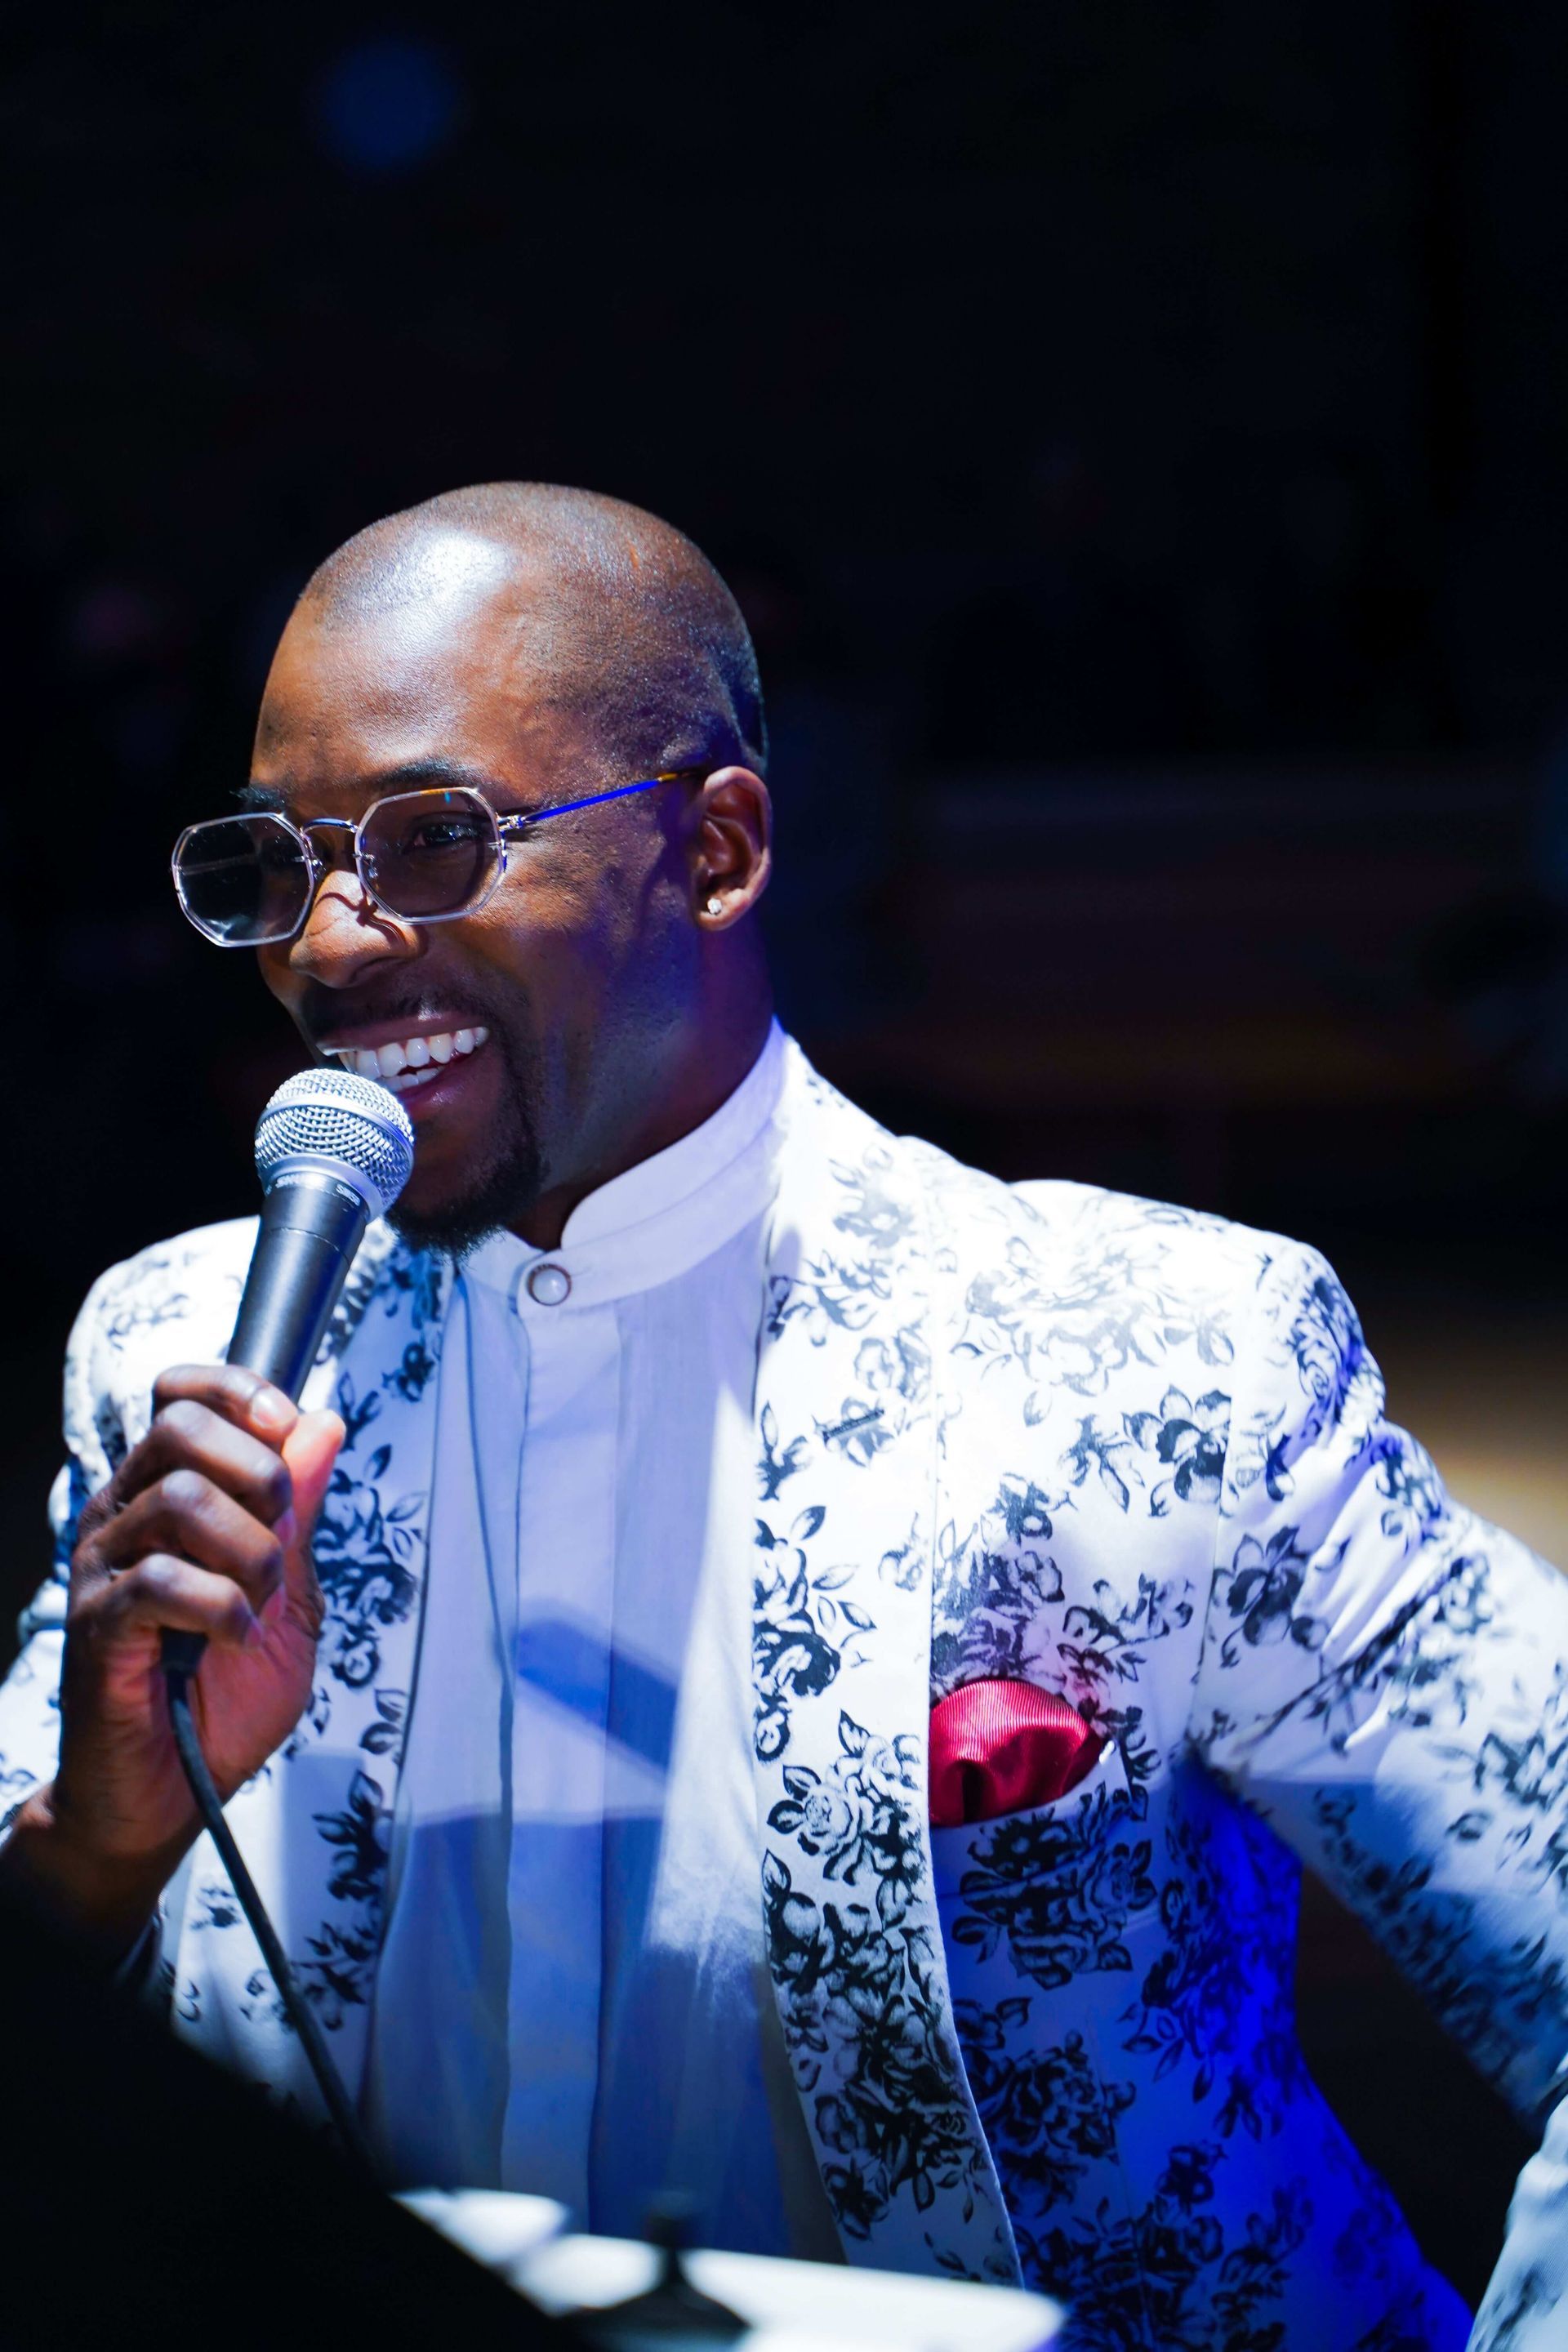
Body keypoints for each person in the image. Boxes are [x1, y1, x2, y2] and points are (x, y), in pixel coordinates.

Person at [2, 483, 1565, 2352]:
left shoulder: (1149, 1359)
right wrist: (103, 1833)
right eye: (278, 861)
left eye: (434, 840)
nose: (328, 949)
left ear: (720, 849)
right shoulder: (188, 1355)